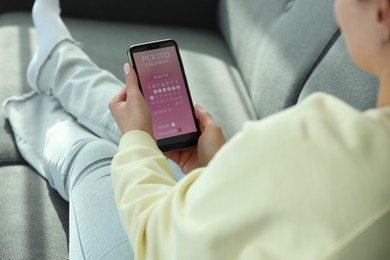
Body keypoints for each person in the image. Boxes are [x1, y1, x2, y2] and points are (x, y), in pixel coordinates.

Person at [3, 0, 389, 260]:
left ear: (381, 14)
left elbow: (154, 239)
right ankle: (58, 65)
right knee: (145, 127)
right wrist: (213, 171)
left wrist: (136, 140)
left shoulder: (319, 141)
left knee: (100, 155)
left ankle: (41, 103)